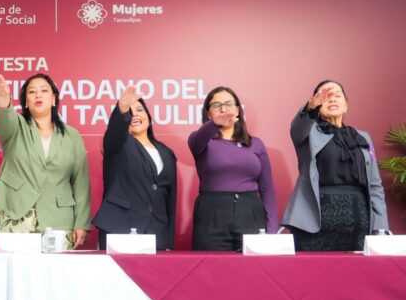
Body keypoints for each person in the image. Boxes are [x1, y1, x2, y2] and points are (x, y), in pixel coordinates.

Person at [0, 73, 91, 250]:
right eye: (32, 92)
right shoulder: (16, 126)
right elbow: (5, 117)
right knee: (16, 273)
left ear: (53, 99)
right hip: (16, 213)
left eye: (44, 90)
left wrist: (81, 222)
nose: (38, 95)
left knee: (55, 275)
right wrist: (3, 100)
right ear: (25, 101)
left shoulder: (71, 135)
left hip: (58, 217)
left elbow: (81, 182)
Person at [282, 80, 389, 251]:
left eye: (337, 95)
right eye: (326, 96)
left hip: (358, 218)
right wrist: (309, 106)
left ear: (346, 104)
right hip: (315, 219)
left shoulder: (363, 137)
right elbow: (297, 126)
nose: (332, 99)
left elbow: (375, 185)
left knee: (356, 275)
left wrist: (381, 226)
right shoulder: (308, 132)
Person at [188, 86, 278, 250]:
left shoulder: (256, 144)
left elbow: (268, 190)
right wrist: (214, 124)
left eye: (229, 104)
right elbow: (197, 140)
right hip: (212, 215)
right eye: (216, 105)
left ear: (237, 109)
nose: (223, 109)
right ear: (208, 113)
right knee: (210, 271)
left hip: (250, 213)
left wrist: (271, 231)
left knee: (251, 272)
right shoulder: (201, 140)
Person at [92, 86, 177, 250]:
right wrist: (121, 109)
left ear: (149, 117)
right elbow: (115, 131)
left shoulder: (166, 153)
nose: (135, 114)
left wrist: (168, 239)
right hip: (119, 227)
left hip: (156, 232)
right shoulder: (118, 143)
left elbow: (170, 199)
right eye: (129, 111)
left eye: (139, 110)